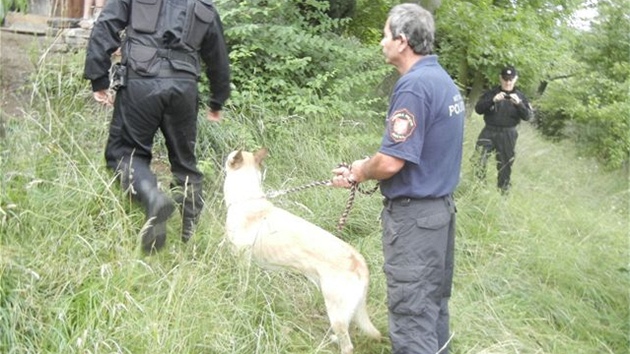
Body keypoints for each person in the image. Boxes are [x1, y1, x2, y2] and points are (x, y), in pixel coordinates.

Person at [331, 3, 464, 353]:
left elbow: (391, 162)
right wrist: (363, 166)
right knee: (433, 310)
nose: (380, 42)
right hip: (439, 215)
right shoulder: (442, 80)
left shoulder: (414, 87)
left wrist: (360, 171)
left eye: (385, 34)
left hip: (415, 222)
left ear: (402, 41)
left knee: (411, 318)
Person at [83, 0, 231, 253]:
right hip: (184, 87)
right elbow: (217, 54)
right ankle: (190, 241)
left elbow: (105, 26)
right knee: (185, 163)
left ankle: (153, 198)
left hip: (141, 82)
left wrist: (98, 77)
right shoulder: (203, 4)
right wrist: (218, 99)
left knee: (123, 154)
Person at [473, 65, 533, 194]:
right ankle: (478, 189)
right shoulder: (491, 93)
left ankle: (503, 193)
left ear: (515, 79)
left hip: (508, 133)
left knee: (505, 165)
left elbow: (528, 117)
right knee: (479, 159)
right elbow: (478, 109)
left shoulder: (520, 96)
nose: (508, 82)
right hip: (489, 130)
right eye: (505, 79)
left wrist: (519, 105)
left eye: (510, 79)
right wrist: (492, 100)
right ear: (500, 78)